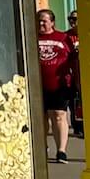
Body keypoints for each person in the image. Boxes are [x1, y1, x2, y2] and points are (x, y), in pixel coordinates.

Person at [36, 9, 77, 164]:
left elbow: (73, 59)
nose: (41, 23)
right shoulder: (32, 38)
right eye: (39, 20)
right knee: (41, 117)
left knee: (59, 115)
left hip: (59, 84)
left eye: (44, 21)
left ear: (52, 22)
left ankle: (61, 150)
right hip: (38, 84)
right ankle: (42, 147)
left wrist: (74, 80)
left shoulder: (63, 38)